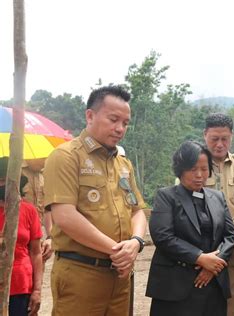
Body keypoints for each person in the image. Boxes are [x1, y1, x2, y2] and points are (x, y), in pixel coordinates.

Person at [43, 85, 147, 315]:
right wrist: (118, 251)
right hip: (81, 274)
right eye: (113, 119)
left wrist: (137, 242)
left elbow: (137, 210)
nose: (120, 128)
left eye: (125, 123)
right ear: (90, 115)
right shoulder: (66, 157)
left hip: (119, 276)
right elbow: (65, 216)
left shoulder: (123, 163)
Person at [146, 141, 234, 315]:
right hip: (176, 286)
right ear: (180, 169)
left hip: (214, 284)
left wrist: (213, 266)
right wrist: (200, 258)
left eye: (204, 169)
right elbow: (162, 236)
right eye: (193, 169)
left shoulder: (217, 197)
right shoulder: (167, 196)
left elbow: (231, 236)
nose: (199, 175)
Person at [202, 113, 234, 316]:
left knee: (232, 310)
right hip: (202, 254)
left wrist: (227, 238)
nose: (220, 144)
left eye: (225, 139)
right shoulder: (193, 164)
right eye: (214, 139)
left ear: (232, 136)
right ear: (205, 135)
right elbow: (183, 204)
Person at [0, 158, 43, 316]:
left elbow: (36, 252)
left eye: (6, 181)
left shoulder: (28, 210)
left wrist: (37, 290)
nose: (2, 185)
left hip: (21, 285)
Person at [22, 158, 53, 261]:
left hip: (37, 239)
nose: (45, 161)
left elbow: (47, 209)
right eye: (43, 158)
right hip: (18, 238)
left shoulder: (45, 174)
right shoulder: (12, 170)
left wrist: (50, 237)